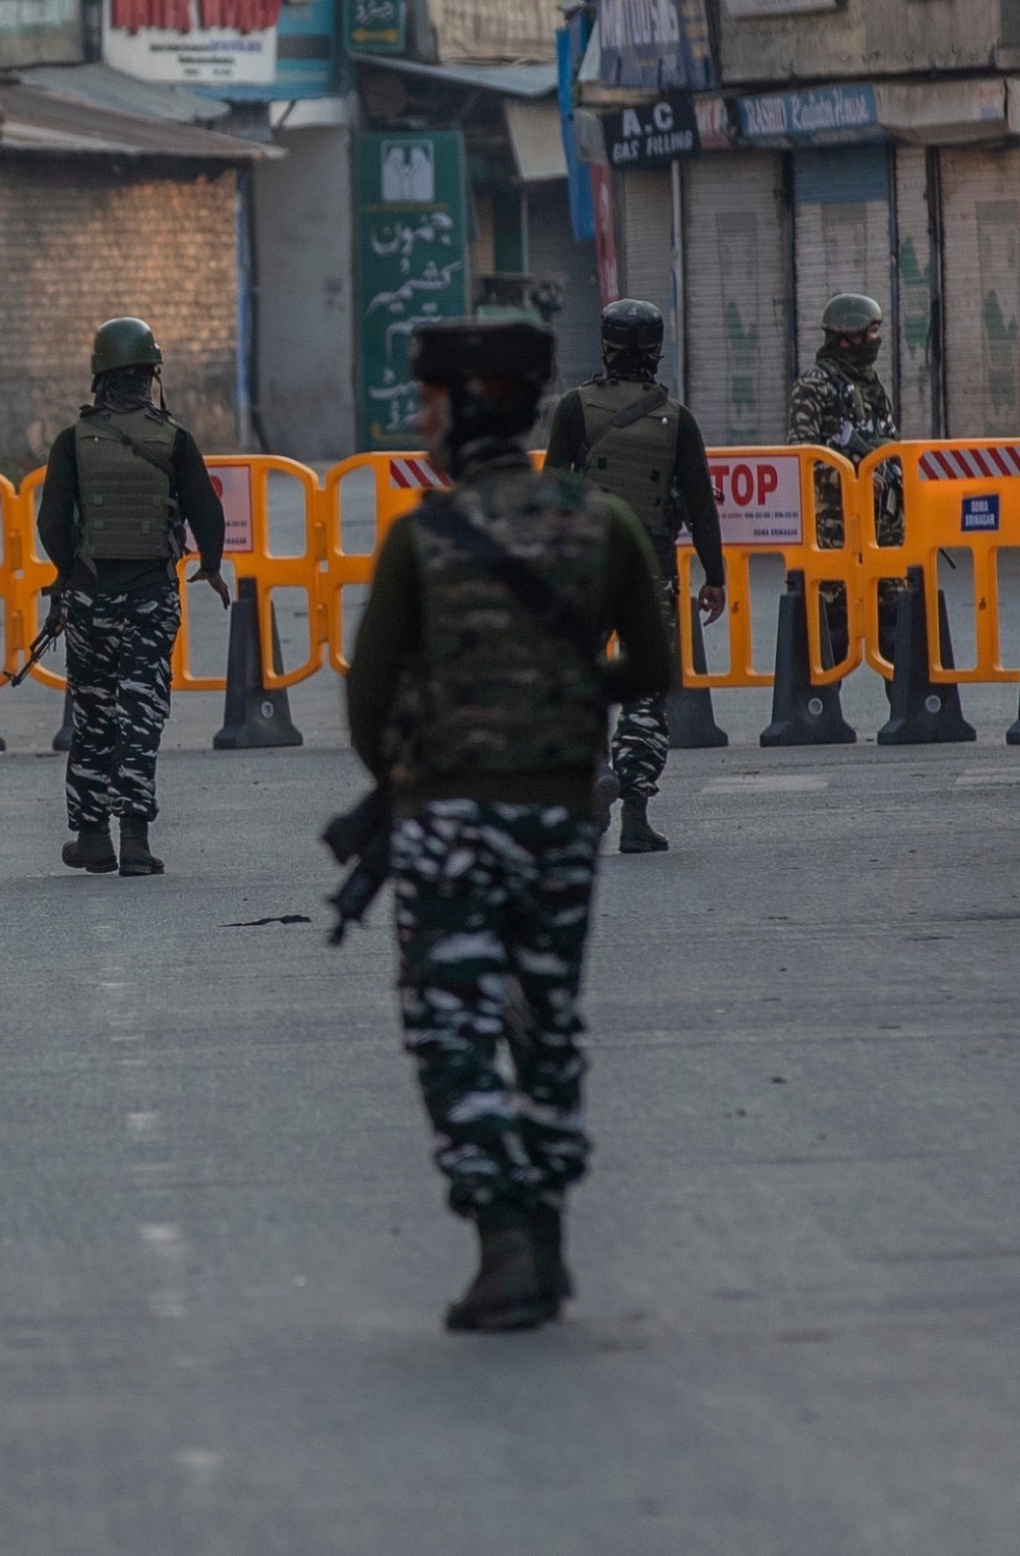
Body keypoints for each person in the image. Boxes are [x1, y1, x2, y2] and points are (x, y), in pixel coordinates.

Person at [343, 316, 672, 1333]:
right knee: (545, 1021)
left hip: (448, 822)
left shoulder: (423, 535)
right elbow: (653, 671)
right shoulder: (603, 524)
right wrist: (573, 696)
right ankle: (549, 1225)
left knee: (455, 1030)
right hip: (562, 821)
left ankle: (505, 1242)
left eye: (429, 400)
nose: (417, 419)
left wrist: (425, 767)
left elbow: (367, 703)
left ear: (465, 406)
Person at [34, 316, 228, 877]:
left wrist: (69, 573)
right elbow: (206, 511)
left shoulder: (73, 441)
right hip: (151, 597)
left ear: (99, 375)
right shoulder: (175, 438)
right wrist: (210, 567)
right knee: (140, 713)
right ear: (151, 376)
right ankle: (136, 841)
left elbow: (52, 521)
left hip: (91, 599)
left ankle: (92, 837)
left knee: (93, 714)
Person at [542, 298, 724, 854]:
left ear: (605, 347)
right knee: (646, 696)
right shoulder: (677, 420)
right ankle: (637, 818)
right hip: (652, 574)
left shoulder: (573, 409)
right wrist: (714, 578)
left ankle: (593, 769)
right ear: (657, 353)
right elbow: (700, 505)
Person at [787, 293, 900, 665]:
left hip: (884, 527)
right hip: (835, 530)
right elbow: (801, 456)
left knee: (897, 626)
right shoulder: (814, 386)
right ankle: (819, 713)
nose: (875, 341)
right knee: (831, 630)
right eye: (870, 333)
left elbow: (890, 442)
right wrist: (853, 479)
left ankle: (909, 714)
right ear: (847, 336)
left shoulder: (872, 385)